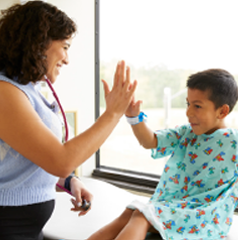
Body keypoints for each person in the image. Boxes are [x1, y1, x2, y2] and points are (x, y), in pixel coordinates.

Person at [88, 68, 238, 240]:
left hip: (206, 216)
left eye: (197, 106)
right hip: (177, 206)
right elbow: (151, 141)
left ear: (222, 111)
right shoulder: (186, 133)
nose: (188, 112)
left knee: (140, 215)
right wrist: (133, 117)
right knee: (129, 213)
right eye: (188, 103)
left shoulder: (235, 141)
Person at [0, 1, 136, 240]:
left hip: (24, 226)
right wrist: (112, 113)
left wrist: (68, 180)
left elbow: (31, 156)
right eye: (64, 46)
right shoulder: (5, 92)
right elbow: (60, 160)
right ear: (38, 43)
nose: (67, 59)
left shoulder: (27, 89)